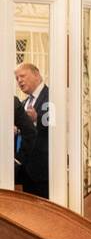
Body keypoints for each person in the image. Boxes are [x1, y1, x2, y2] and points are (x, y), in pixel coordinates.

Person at [14, 63, 50, 199]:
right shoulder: (23, 104)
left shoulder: (51, 96)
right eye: (17, 79)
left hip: (43, 172)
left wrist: (37, 118)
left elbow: (56, 125)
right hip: (26, 171)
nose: (19, 81)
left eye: (22, 76)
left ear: (36, 74)